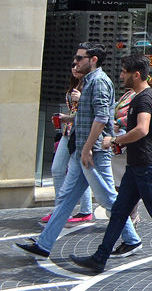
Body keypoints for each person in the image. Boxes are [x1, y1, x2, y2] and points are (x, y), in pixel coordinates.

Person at [16, 44, 141, 260]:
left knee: (108, 198)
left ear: (92, 60)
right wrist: (68, 119)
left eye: (79, 58)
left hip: (92, 152)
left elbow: (102, 118)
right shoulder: (90, 81)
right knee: (66, 198)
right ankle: (44, 244)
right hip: (82, 150)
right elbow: (90, 114)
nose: (75, 62)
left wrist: (86, 150)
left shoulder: (99, 82)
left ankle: (132, 239)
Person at [69, 55, 152, 273]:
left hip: (145, 165)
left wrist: (114, 140)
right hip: (136, 166)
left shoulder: (144, 99)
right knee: (119, 211)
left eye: (124, 71)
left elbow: (142, 130)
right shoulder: (139, 97)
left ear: (136, 75)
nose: (121, 75)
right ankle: (100, 257)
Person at [43, 64, 94, 225]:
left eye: (78, 65)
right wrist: (63, 117)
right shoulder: (74, 84)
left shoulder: (91, 85)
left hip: (81, 133)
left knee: (82, 172)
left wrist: (81, 100)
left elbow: (96, 112)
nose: (74, 67)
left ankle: (85, 210)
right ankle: (60, 209)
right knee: (57, 169)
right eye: (72, 65)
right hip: (68, 132)